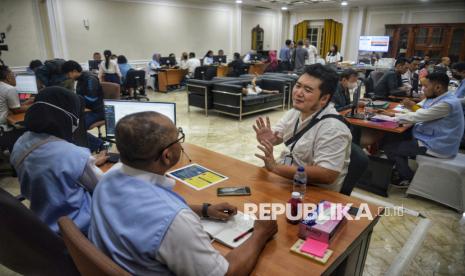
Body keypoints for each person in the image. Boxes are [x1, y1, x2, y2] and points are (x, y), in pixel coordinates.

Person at [88, 111, 278, 275]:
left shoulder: (107, 178)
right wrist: (260, 233)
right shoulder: (176, 222)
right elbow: (227, 273)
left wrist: (204, 210)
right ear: (167, 155)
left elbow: (139, 214)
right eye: (178, 138)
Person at [10, 87, 108, 235]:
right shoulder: (72, 154)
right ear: (67, 117)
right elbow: (101, 186)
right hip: (80, 227)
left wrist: (88, 162)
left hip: (43, 220)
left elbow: (51, 168)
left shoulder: (20, 143)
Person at [253, 64, 352, 192]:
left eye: (308, 90)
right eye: (298, 86)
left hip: (313, 191)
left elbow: (327, 174)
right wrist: (270, 139)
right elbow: (278, 137)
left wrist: (276, 167)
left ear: (324, 98)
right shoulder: (295, 112)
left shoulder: (333, 128)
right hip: (287, 179)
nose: (298, 93)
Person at [380, 73, 464, 187]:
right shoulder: (439, 97)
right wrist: (394, 114)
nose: (423, 90)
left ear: (437, 87)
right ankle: (398, 166)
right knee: (394, 137)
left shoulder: (447, 104)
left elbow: (418, 116)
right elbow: (421, 111)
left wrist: (391, 118)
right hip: (432, 137)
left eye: (426, 86)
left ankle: (407, 177)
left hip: (437, 145)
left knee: (390, 148)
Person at [62, 60, 105, 153]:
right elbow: (81, 97)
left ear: (74, 71)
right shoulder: (80, 79)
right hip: (87, 109)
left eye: (68, 74)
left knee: (76, 128)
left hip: (98, 111)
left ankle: (98, 144)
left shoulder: (90, 79)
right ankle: (82, 148)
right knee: (68, 123)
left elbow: (91, 98)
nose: (67, 77)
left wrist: (75, 100)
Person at [0, 65, 32, 152]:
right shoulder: (9, 89)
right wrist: (36, 104)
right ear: (8, 77)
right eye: (13, 74)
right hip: (4, 127)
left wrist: (28, 102)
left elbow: (12, 106)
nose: (15, 77)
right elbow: (16, 110)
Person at [452, 62, 465, 146]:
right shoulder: (462, 81)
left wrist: (452, 101)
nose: (455, 74)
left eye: (456, 72)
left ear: (463, 72)